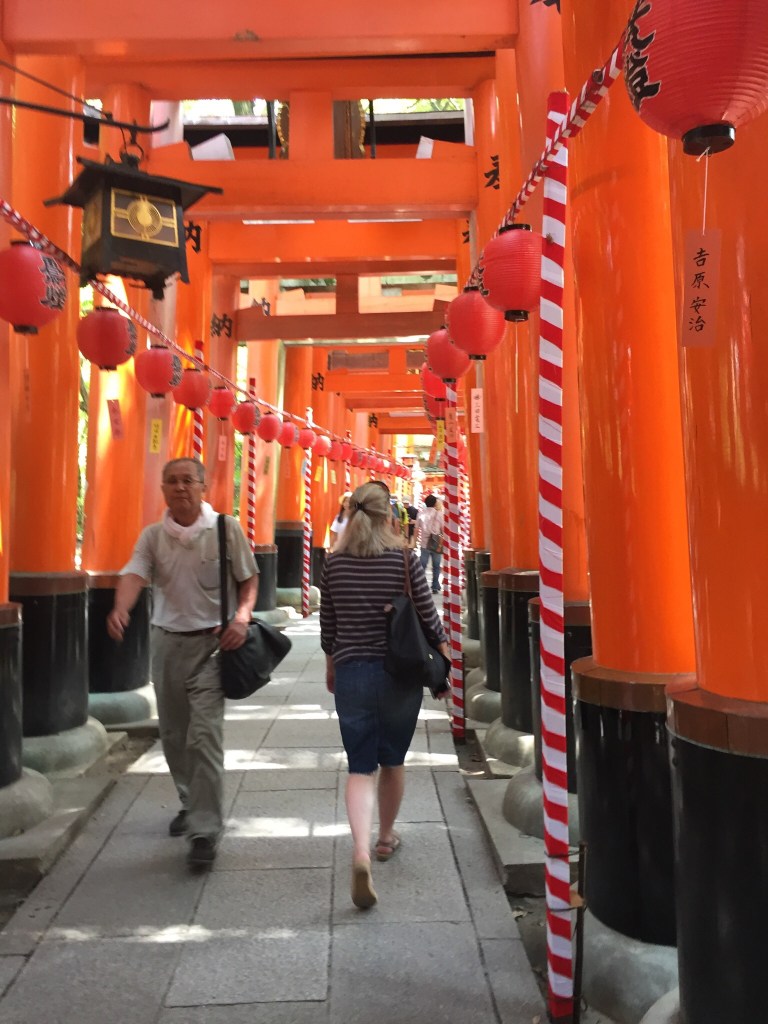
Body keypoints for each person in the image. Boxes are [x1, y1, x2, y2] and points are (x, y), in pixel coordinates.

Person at [106, 457, 258, 869]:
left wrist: (242, 618)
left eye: (188, 480)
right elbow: (134, 573)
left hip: (212, 646)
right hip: (167, 645)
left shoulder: (226, 529)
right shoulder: (153, 536)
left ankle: (205, 830)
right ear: (163, 489)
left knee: (204, 737)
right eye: (171, 482)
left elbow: (249, 579)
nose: (180, 488)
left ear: (203, 486)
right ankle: (190, 802)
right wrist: (121, 608)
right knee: (174, 735)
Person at [320, 481, 449, 910]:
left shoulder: (333, 564)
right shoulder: (402, 560)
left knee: (360, 767)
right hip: (399, 674)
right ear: (387, 518)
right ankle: (384, 838)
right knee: (392, 760)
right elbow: (427, 614)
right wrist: (445, 656)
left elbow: (329, 625)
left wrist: (331, 664)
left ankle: (358, 851)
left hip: (353, 672)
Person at [417, 494, 444, 593]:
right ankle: (435, 586)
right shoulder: (439, 514)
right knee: (436, 566)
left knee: (422, 565)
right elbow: (443, 529)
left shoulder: (420, 514)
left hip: (424, 543)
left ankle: (421, 586)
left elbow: (416, 529)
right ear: (434, 503)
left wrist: (414, 542)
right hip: (436, 543)